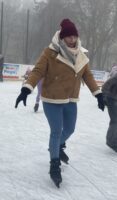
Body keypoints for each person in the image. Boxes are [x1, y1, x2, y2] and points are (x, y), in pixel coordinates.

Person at [15, 18, 104, 188]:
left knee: (70, 129)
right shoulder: (50, 52)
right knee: (56, 131)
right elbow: (38, 71)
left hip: (71, 98)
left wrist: (98, 94)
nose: (72, 40)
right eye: (68, 37)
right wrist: (27, 88)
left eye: (74, 36)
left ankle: (57, 147)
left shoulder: (81, 55)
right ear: (62, 38)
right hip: (52, 98)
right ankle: (54, 164)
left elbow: (88, 76)